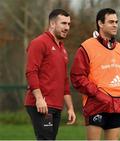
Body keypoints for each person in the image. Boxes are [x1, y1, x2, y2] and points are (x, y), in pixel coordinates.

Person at [70, 8, 120, 140]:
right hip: (96, 104)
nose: (115, 25)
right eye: (111, 22)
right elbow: (77, 77)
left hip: (118, 104)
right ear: (100, 23)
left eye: (116, 21)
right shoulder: (86, 47)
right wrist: (97, 94)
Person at [24, 9, 76, 140]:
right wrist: (39, 99)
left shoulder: (62, 49)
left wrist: (70, 108)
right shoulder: (39, 43)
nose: (67, 27)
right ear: (52, 24)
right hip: (42, 105)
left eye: (69, 24)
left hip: (56, 106)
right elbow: (31, 71)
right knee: (46, 139)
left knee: (50, 139)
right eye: (63, 23)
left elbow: (64, 81)